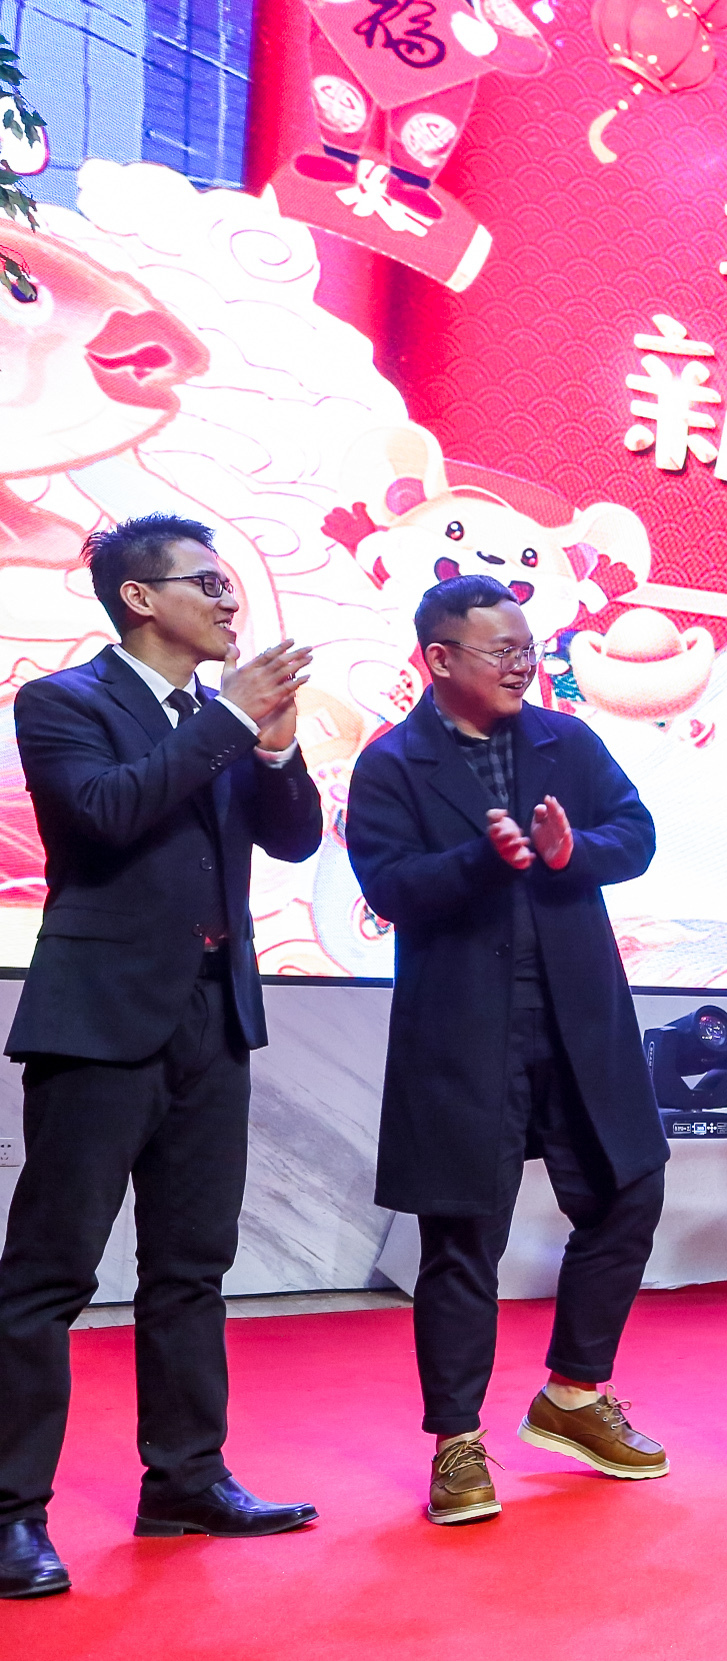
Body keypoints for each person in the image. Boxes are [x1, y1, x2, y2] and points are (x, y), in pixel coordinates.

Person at [0, 517, 320, 1598]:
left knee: (192, 1266)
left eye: (232, 585)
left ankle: (186, 1477)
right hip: (97, 1018)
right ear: (141, 598)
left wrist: (272, 745)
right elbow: (103, 815)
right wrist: (229, 720)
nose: (232, 603)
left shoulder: (218, 721)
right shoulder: (63, 702)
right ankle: (10, 1511)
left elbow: (294, 838)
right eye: (209, 584)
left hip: (213, 1015)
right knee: (49, 1273)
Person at [347, 573, 671, 1525]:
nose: (523, 663)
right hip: (463, 1028)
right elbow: (389, 887)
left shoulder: (568, 740)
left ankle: (574, 1392)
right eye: (503, 649)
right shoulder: (392, 763)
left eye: (529, 646)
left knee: (629, 1188)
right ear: (439, 659)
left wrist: (573, 854)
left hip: (579, 1017)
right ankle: (456, 1441)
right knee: (461, 1237)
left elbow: (636, 834)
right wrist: (479, 859)